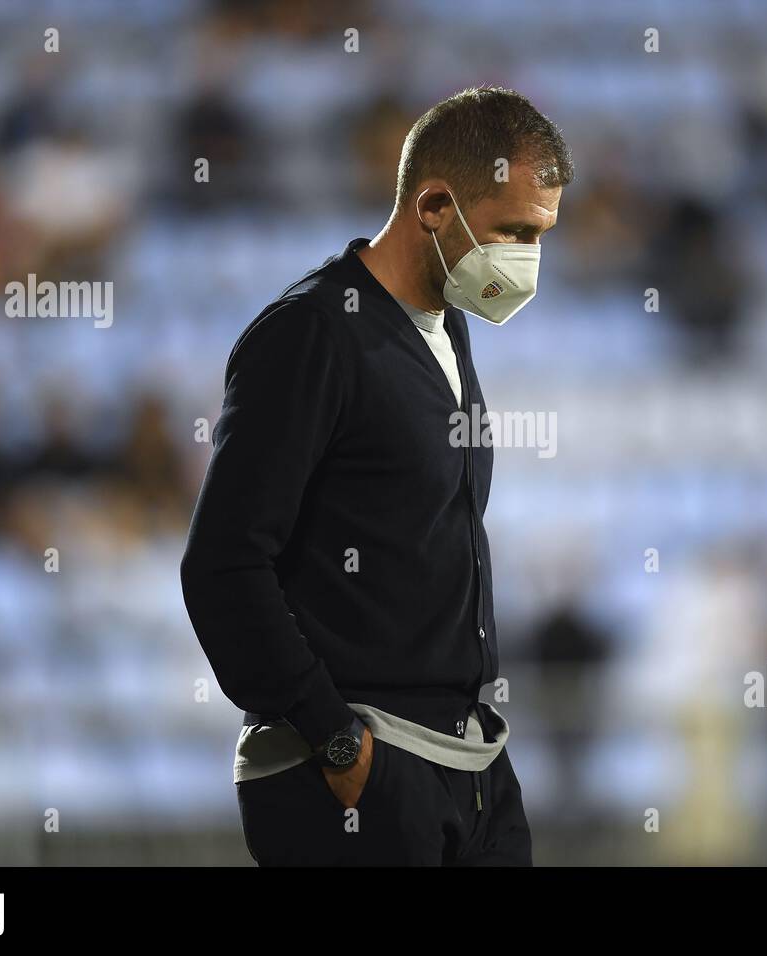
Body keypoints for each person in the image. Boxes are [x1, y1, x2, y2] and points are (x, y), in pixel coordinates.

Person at [180, 86, 572, 866]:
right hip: (359, 774)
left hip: (471, 765)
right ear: (433, 204)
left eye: (541, 236)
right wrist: (336, 741)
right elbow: (222, 564)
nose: (528, 260)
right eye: (515, 232)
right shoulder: (311, 335)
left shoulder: (447, 329)